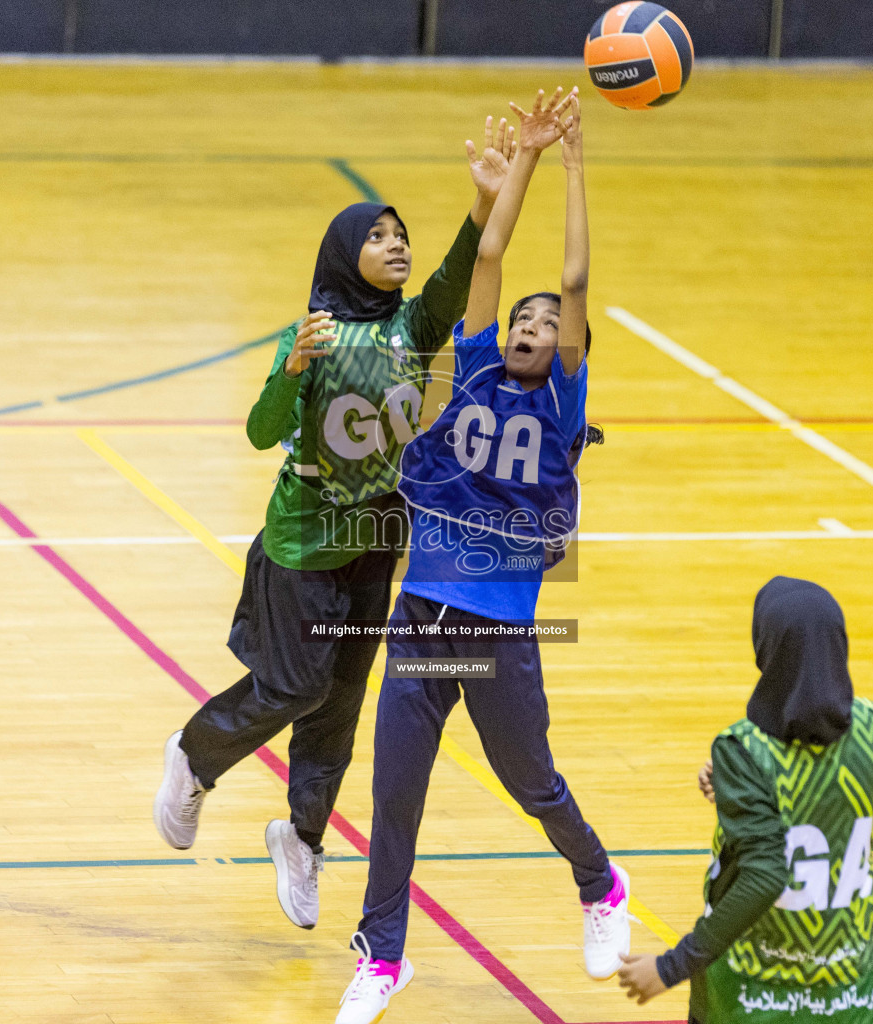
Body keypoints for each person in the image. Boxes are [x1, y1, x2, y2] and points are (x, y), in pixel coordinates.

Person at [153, 113, 522, 931]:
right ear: (342, 252)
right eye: (379, 236)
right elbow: (259, 432)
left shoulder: (412, 329)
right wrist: (290, 373)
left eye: (402, 236)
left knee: (342, 699)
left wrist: (486, 202)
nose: (397, 245)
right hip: (302, 540)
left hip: (376, 537)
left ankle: (303, 835)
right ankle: (194, 754)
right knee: (293, 685)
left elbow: (464, 276)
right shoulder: (311, 335)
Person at [334, 88, 625, 1024]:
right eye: (524, 321)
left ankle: (599, 882)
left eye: (549, 324)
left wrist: (575, 160)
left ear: (568, 345)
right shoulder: (473, 373)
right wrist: (524, 161)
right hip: (423, 616)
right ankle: (384, 955)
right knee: (394, 791)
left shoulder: (561, 404)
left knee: (531, 783)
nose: (535, 326)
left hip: (498, 633)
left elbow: (575, 277)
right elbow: (492, 256)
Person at [617, 577, 873, 1024]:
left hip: (756, 991)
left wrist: (672, 967)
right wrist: (742, 800)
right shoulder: (871, 727)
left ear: (766, 650)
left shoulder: (745, 748)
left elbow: (765, 874)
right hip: (850, 989)